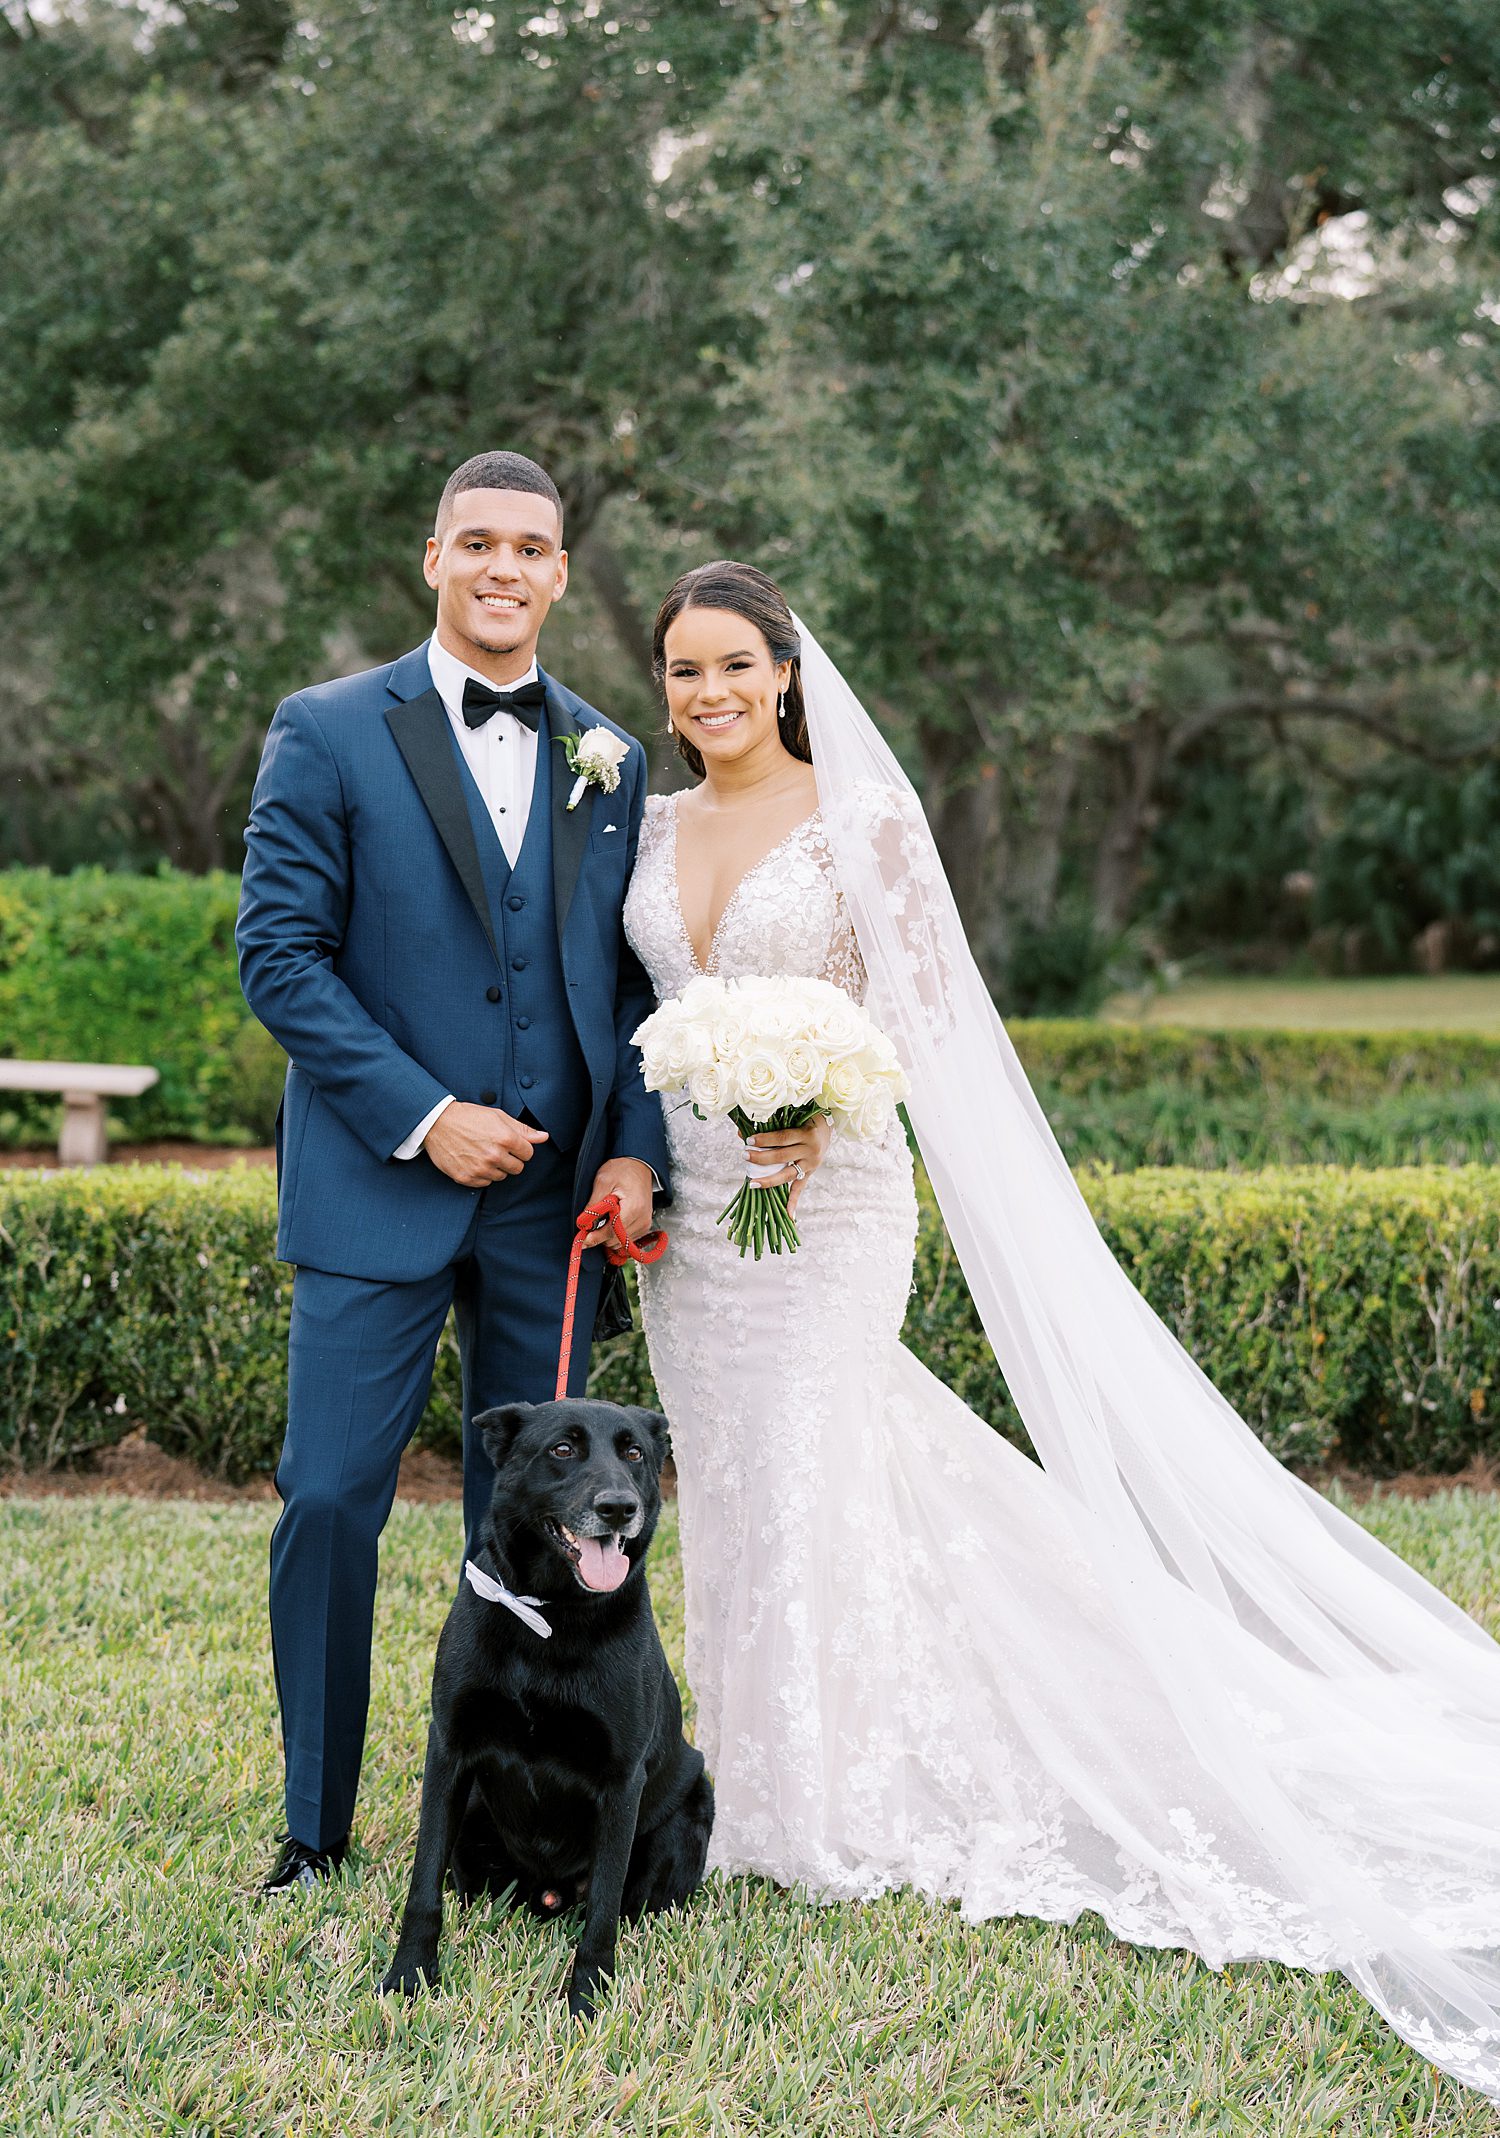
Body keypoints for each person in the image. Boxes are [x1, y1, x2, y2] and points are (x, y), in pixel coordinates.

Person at [621, 558, 1500, 2101]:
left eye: (734, 665)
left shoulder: (863, 822)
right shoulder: (646, 823)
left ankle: (823, 1800)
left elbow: (933, 1024)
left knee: (818, 1453)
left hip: (829, 1203)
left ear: (785, 672)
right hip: (690, 1225)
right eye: (684, 670)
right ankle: (741, 1778)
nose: (709, 694)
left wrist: (822, 1107)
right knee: (742, 1476)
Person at [236, 451, 668, 1893]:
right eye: (475, 542)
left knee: (569, 1509)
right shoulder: (328, 730)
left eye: (529, 548)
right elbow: (279, 960)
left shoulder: (613, 753)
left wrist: (632, 1144)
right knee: (331, 1499)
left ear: (556, 571)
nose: (503, 568)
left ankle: (540, 1812)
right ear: (434, 557)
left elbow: (633, 978)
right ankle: (315, 1825)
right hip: (377, 1189)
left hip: (554, 1210)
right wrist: (426, 1115)